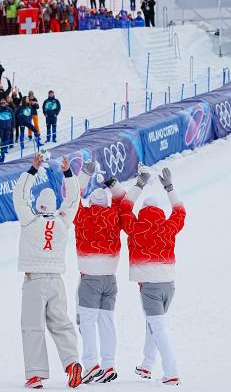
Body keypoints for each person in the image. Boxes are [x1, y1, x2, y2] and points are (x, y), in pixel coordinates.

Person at [13, 153, 83, 389]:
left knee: (32, 327)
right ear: (54, 206)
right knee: (61, 323)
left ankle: (35, 375)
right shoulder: (63, 222)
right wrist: (67, 173)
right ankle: (72, 362)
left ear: (38, 205)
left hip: (34, 280)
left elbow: (19, 196)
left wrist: (32, 170)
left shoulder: (29, 220)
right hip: (56, 280)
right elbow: (73, 199)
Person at [119, 167, 185, 386]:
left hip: (149, 286)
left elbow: (124, 208)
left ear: (144, 210)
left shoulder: (135, 226)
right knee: (153, 323)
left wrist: (139, 184)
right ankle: (147, 365)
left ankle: (171, 371)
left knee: (157, 327)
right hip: (169, 285)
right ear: (159, 210)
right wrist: (170, 188)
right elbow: (180, 212)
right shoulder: (168, 226)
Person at [74, 160, 126, 384]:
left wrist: (85, 173)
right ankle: (108, 364)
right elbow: (123, 200)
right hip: (110, 279)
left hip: (89, 278)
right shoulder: (114, 215)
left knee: (86, 322)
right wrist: (110, 182)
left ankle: (91, 363)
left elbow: (73, 197)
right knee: (107, 322)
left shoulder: (82, 217)